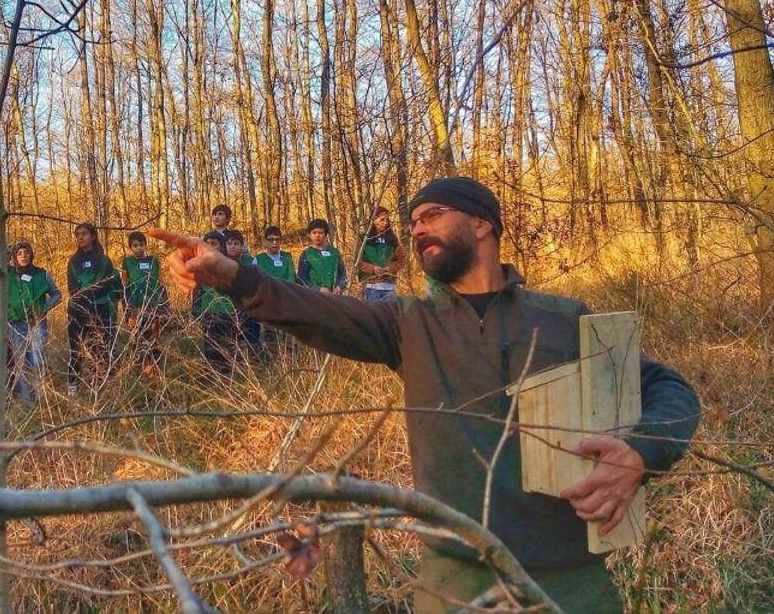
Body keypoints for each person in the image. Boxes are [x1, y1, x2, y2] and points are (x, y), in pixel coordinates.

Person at [151, 177, 701, 614]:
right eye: (412, 221)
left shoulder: (563, 319)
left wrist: (640, 452)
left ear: (483, 222)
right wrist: (231, 275)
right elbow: (314, 310)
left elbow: (667, 387)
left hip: (568, 579)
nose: (416, 229)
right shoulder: (407, 323)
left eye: (432, 214)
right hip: (452, 577)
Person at [66, 223, 123, 395]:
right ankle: (72, 387)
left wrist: (93, 297)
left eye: (84, 233)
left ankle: (101, 386)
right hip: (77, 310)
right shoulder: (73, 262)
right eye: (78, 234)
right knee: (76, 349)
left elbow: (105, 284)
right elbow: (73, 288)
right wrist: (83, 300)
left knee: (101, 348)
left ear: (93, 236)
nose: (81, 237)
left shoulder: (104, 260)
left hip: (101, 310)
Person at [6, 241, 62, 403]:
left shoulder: (41, 274)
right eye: (19, 253)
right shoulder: (8, 274)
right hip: (16, 323)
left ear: (31, 254)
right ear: (14, 257)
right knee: (22, 361)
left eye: (26, 252)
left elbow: (57, 295)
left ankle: (40, 396)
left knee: (37, 359)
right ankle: (27, 400)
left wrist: (43, 308)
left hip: (38, 323)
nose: (23, 256)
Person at [191, 231, 242, 374]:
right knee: (210, 346)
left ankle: (228, 376)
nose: (210, 247)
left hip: (229, 313)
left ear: (222, 246)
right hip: (209, 312)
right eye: (207, 243)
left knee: (228, 346)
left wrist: (240, 311)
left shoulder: (232, 265)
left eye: (214, 244)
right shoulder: (200, 266)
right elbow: (197, 291)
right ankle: (212, 374)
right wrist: (196, 311)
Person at [122, 231, 170, 376]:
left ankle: (156, 370)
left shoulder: (154, 261)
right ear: (130, 247)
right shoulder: (127, 262)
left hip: (153, 306)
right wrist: (128, 311)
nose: (139, 248)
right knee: (137, 340)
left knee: (154, 339)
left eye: (141, 245)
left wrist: (165, 305)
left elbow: (161, 283)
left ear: (145, 245)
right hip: (136, 308)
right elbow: (125, 286)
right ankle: (140, 371)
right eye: (135, 246)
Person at [253, 226, 295, 357]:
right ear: (265, 242)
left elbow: (291, 281)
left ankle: (290, 362)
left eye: (277, 240)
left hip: (286, 303)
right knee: (270, 338)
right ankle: (272, 364)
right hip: (268, 304)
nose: (274, 243)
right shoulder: (258, 260)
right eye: (271, 240)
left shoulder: (287, 260)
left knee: (289, 337)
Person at [357, 206, 406, 302]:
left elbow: (401, 259)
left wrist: (390, 268)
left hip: (389, 285)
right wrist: (373, 269)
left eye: (387, 220)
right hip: (370, 285)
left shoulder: (392, 239)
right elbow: (357, 261)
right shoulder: (363, 238)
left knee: (389, 315)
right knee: (374, 315)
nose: (385, 223)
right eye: (382, 220)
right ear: (374, 220)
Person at [297, 219, 347, 294]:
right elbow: (302, 278)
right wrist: (318, 289)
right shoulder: (306, 254)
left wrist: (339, 287)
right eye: (314, 233)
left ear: (326, 235)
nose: (317, 235)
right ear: (310, 235)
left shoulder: (334, 253)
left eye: (320, 233)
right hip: (314, 296)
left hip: (334, 296)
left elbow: (342, 275)